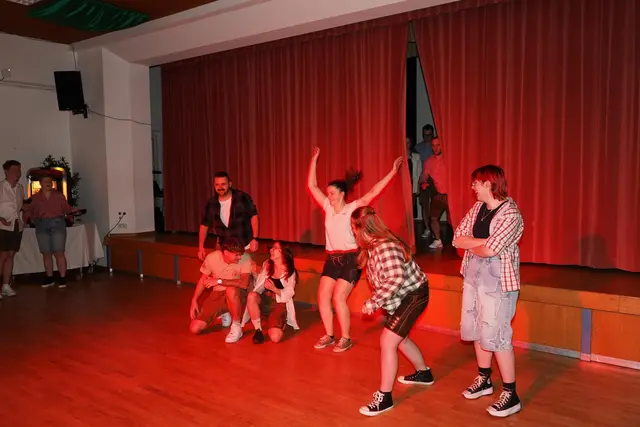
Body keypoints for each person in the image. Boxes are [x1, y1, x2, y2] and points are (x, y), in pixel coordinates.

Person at [307, 147, 403, 353]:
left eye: (332, 193)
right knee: (322, 296)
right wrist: (314, 158)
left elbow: (373, 192)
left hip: (351, 258)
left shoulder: (352, 208)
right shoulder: (327, 208)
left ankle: (346, 338)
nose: (328, 196)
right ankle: (329, 335)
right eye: (328, 193)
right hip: (332, 258)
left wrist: (392, 172)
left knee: (338, 298)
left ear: (342, 194)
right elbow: (312, 185)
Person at [452, 165, 524, 418]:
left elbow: (491, 250)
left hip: (498, 282)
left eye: (476, 183)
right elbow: (457, 238)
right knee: (476, 327)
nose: (472, 187)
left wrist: (475, 244)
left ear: (488, 184)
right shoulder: (478, 208)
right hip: (474, 276)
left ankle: (511, 394)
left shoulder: (511, 214)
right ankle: (484, 379)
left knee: (499, 334)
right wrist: (482, 244)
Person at [351, 206, 434, 416]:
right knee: (400, 338)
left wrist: (373, 302)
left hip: (414, 295)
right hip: (403, 296)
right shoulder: (372, 246)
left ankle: (385, 397)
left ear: (362, 229)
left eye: (353, 228)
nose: (352, 232)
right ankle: (424, 373)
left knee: (388, 341)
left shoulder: (385, 247)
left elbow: (395, 278)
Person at [198, 171, 259, 328]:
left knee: (248, 279)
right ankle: (226, 309)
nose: (220, 187)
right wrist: (200, 246)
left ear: (230, 184)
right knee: (222, 276)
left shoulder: (242, 198)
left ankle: (249, 311)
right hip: (224, 246)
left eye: (223, 184)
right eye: (217, 184)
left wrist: (255, 238)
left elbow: (254, 216)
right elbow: (204, 225)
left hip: (244, 244)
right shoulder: (211, 203)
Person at [189, 237, 254, 343]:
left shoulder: (245, 258)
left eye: (240, 254)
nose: (239, 257)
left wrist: (219, 281)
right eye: (236, 255)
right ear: (226, 252)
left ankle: (236, 326)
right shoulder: (212, 257)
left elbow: (244, 284)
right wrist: (194, 299)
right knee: (195, 328)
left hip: (237, 293)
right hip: (217, 293)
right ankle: (225, 310)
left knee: (231, 290)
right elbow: (203, 280)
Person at [23, 175, 80, 288]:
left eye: (50, 181)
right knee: (46, 253)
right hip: (41, 225)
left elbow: (67, 209)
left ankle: (62, 278)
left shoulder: (59, 196)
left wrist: (74, 212)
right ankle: (49, 278)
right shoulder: (34, 198)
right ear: (40, 183)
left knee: (59, 252)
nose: (48, 183)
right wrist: (27, 219)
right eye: (45, 181)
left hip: (57, 224)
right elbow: (28, 211)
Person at [244, 241, 300, 344]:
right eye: (272, 247)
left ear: (284, 252)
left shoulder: (290, 272)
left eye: (275, 248)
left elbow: (289, 293)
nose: (271, 250)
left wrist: (274, 289)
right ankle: (258, 330)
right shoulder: (267, 265)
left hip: (279, 304)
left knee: (275, 338)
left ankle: (279, 322)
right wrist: (255, 273)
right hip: (265, 300)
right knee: (252, 296)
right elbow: (259, 285)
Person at [0, 160, 24, 299]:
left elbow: (18, 206)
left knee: (10, 255)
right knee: (2, 256)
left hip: (16, 225)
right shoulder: (1, 187)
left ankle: (6, 285)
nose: (18, 173)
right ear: (6, 171)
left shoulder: (20, 188)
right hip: (2, 226)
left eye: (19, 170)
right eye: (14, 170)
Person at [420, 136, 448, 249]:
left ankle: (460, 241)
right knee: (433, 217)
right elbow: (424, 175)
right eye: (433, 145)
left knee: (454, 220)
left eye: (438, 145)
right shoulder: (429, 161)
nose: (435, 148)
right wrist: (423, 182)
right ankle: (437, 240)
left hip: (451, 194)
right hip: (438, 194)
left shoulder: (449, 159)